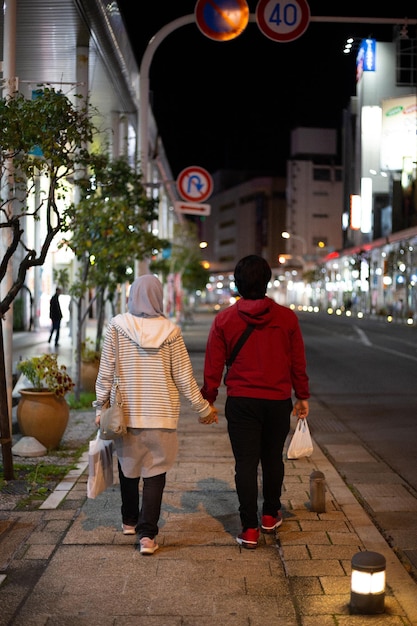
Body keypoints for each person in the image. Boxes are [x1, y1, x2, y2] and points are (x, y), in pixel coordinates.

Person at [94, 275, 217, 555]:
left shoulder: (116, 326)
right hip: (161, 415)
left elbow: (105, 371)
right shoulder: (170, 331)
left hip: (125, 416)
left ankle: (129, 520)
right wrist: (203, 409)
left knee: (128, 466)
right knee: (155, 471)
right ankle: (147, 536)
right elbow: (184, 377)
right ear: (158, 297)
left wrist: (100, 406)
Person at [201, 255, 310, 550]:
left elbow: (213, 365)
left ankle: (249, 528)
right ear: (267, 282)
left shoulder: (224, 320)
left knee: (245, 464)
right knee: (273, 458)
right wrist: (302, 395)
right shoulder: (287, 318)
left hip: (241, 402)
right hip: (277, 401)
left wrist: (208, 400)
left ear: (237, 283)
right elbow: (297, 363)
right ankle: (270, 514)